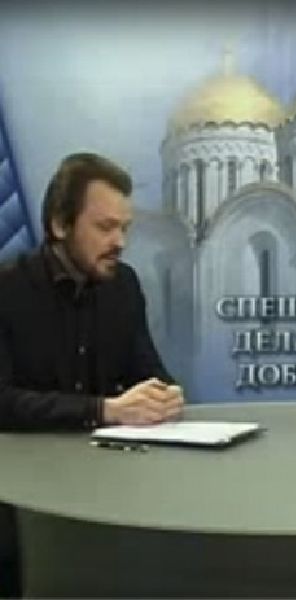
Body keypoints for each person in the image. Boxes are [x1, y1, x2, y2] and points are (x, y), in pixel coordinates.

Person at [0, 152, 184, 597]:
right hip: (20, 502)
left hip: (111, 496)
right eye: (105, 227)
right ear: (60, 225)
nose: (119, 242)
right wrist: (104, 410)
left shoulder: (124, 286)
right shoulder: (7, 289)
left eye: (125, 229)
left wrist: (165, 395)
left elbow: (150, 372)